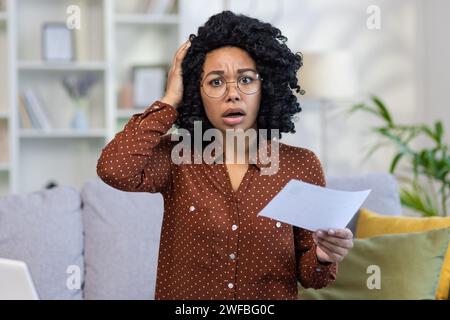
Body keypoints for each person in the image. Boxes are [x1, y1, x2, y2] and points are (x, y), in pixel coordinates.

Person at [97, 11, 353, 300]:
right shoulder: (177, 158)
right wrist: (169, 100)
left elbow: (313, 278)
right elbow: (114, 169)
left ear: (266, 88)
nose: (232, 94)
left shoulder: (300, 165)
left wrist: (323, 253)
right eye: (216, 82)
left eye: (246, 80)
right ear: (196, 92)